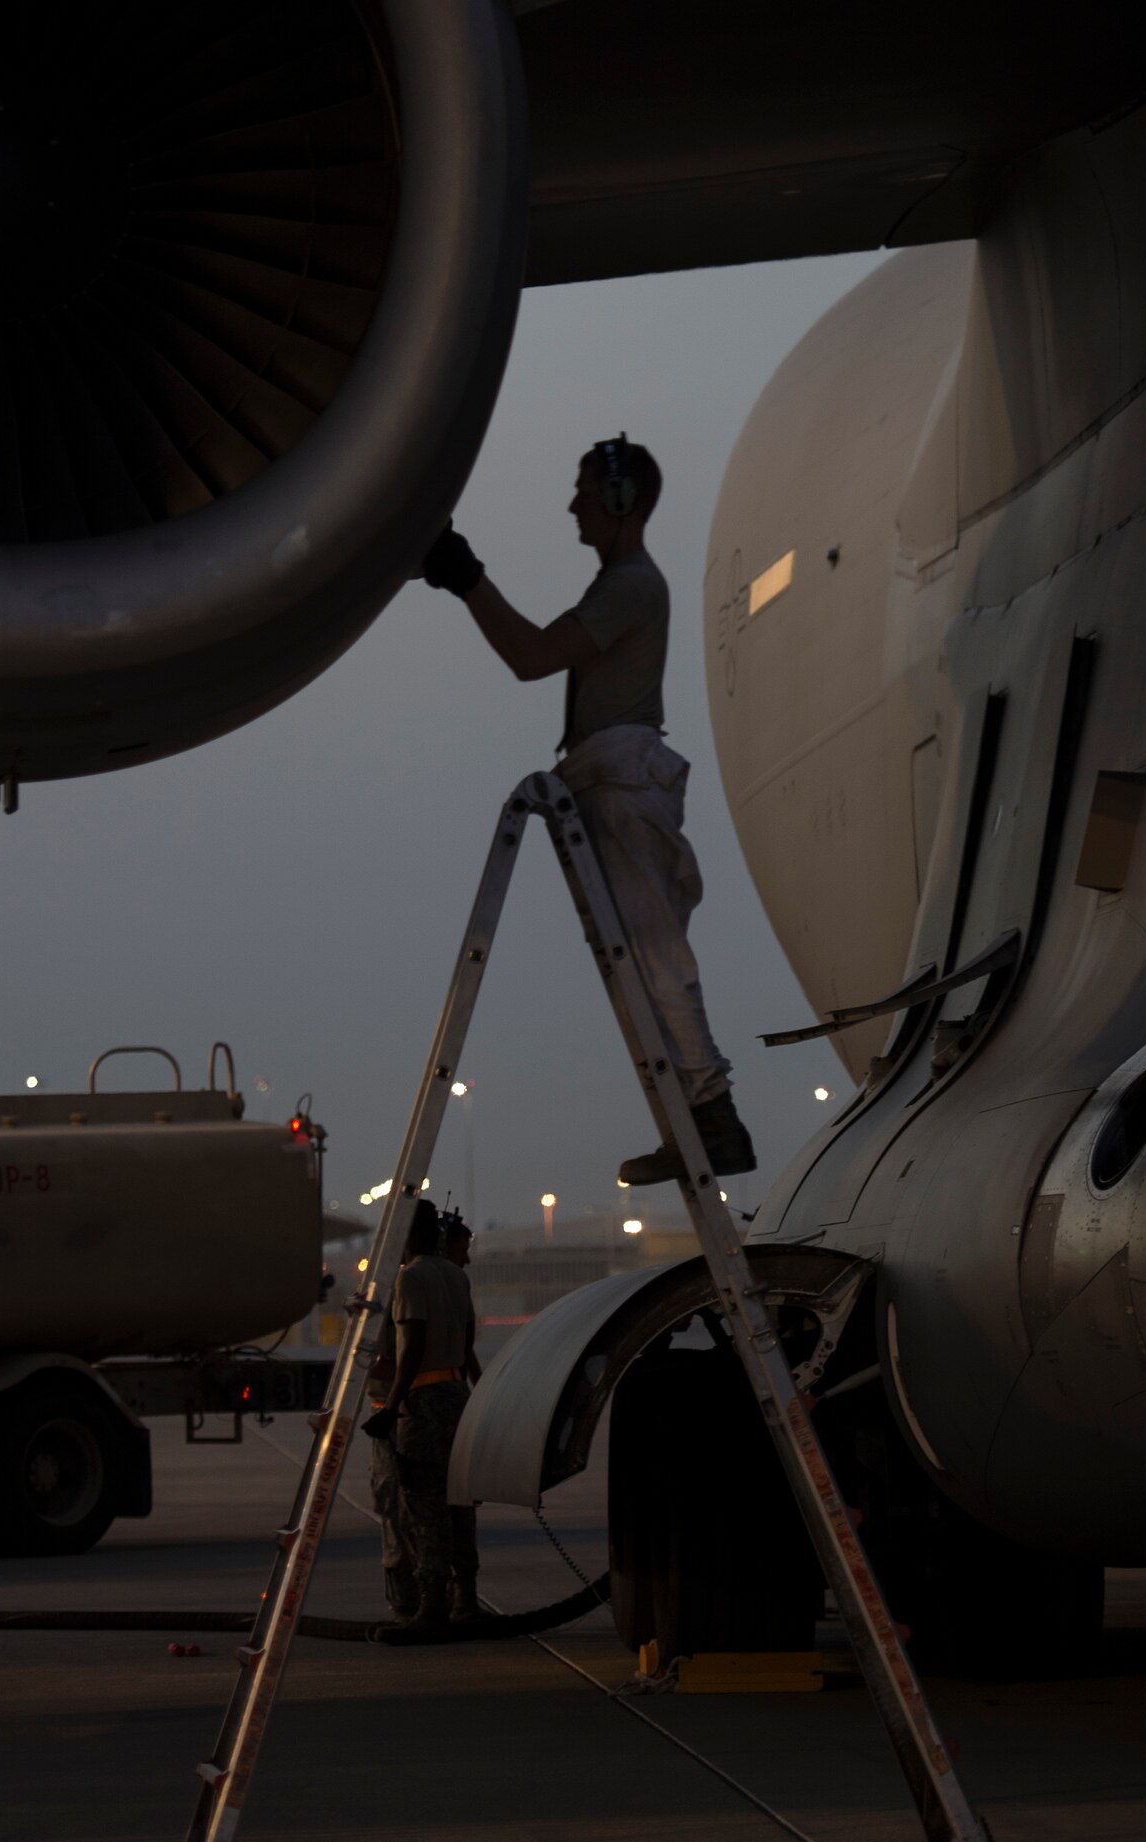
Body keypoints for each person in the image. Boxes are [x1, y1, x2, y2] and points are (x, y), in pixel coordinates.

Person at [421, 436, 755, 1185]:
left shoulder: (631, 586)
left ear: (616, 501)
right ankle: (694, 1126)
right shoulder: (624, 583)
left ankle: (713, 1117)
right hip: (611, 776)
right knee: (638, 961)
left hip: (622, 776)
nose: (572, 505)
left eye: (582, 491)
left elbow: (532, 657)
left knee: (653, 957)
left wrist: (469, 580)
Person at [362, 1200, 481, 1638]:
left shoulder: (409, 1279)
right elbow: (466, 1343)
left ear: (403, 1235)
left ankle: (430, 1609)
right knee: (459, 1504)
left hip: (423, 1403)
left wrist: (392, 1407)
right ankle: (465, 1601)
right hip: (456, 1396)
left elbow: (411, 1346)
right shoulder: (456, 1275)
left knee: (423, 1507)